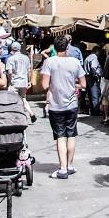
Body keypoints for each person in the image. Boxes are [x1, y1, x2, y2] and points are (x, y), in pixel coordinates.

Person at [40, 34, 86, 180]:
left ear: (54, 47)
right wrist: (74, 85)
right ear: (67, 47)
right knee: (71, 135)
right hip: (72, 104)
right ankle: (70, 165)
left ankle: (62, 169)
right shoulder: (75, 62)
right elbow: (83, 84)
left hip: (55, 104)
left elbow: (44, 85)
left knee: (60, 136)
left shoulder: (49, 62)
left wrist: (54, 84)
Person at [6, 41, 35, 122]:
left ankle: (15, 116)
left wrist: (9, 81)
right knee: (23, 98)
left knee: (12, 99)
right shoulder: (26, 58)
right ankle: (31, 113)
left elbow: (10, 72)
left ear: (12, 49)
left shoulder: (10, 59)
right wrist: (29, 81)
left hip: (14, 82)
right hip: (24, 82)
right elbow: (29, 70)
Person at [83, 45, 103, 115]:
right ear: (97, 51)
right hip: (92, 78)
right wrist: (96, 76)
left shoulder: (88, 57)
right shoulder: (94, 57)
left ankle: (92, 110)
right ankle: (96, 111)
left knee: (90, 95)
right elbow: (93, 67)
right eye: (99, 52)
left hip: (87, 77)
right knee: (95, 95)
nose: (100, 54)